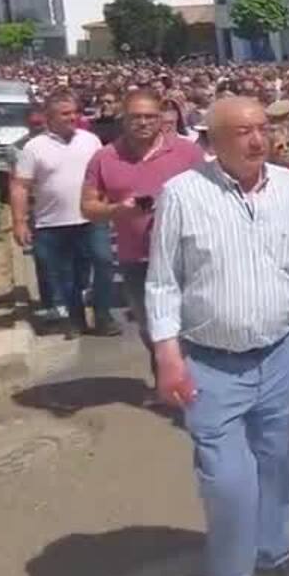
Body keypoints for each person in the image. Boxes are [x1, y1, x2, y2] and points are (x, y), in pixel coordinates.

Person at [145, 96, 289, 576]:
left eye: (264, 129)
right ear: (214, 139)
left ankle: (274, 551)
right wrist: (166, 351)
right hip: (210, 363)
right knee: (228, 482)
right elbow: (162, 283)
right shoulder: (184, 194)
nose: (258, 140)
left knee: (278, 464)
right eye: (242, 131)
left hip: (280, 353)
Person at [80, 89, 204, 382]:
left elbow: (212, 193)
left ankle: (195, 380)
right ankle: (167, 377)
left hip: (187, 254)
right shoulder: (104, 158)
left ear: (161, 119)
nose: (144, 123)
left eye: (150, 116)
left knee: (194, 322)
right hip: (137, 259)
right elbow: (87, 207)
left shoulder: (187, 152)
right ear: (124, 120)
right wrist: (119, 210)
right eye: (136, 117)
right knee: (152, 327)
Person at [11, 91, 121, 337]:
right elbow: (20, 186)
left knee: (104, 261)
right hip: (52, 224)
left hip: (91, 218)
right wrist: (19, 222)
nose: (72, 118)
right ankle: (76, 319)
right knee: (66, 274)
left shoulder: (90, 140)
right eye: (65, 114)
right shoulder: (33, 148)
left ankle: (103, 315)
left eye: (75, 112)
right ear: (49, 116)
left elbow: (105, 174)